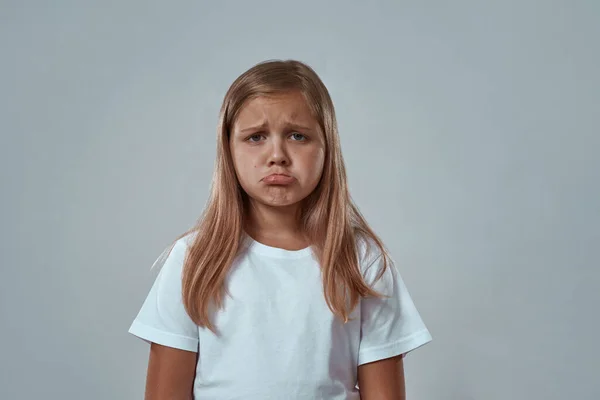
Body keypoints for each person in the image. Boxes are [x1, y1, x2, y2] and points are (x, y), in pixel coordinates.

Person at [128, 59, 432, 399]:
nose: (277, 155)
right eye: (256, 137)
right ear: (228, 150)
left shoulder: (361, 259)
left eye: (297, 136)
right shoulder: (194, 259)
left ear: (326, 147)